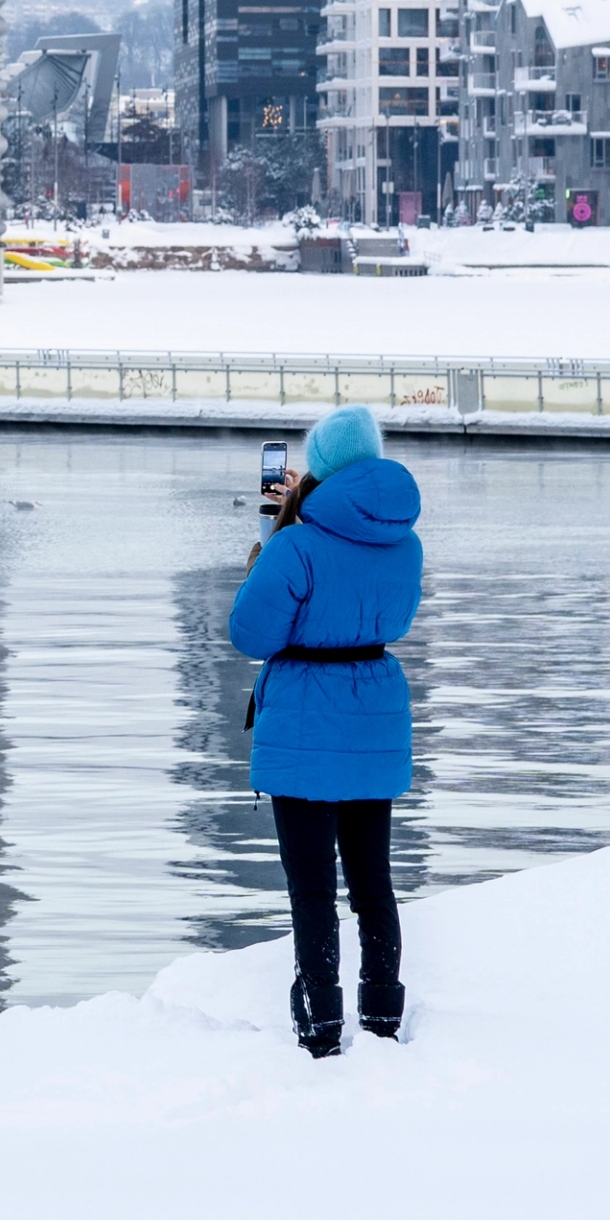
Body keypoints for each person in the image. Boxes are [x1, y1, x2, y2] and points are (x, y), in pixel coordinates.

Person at [230, 403, 421, 1058]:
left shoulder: (298, 543)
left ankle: (320, 1021)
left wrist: (267, 553)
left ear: (323, 466)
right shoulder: (405, 540)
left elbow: (251, 635)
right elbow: (394, 617)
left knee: (312, 884)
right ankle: (384, 1011)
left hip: (307, 718)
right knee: (373, 879)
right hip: (376, 712)